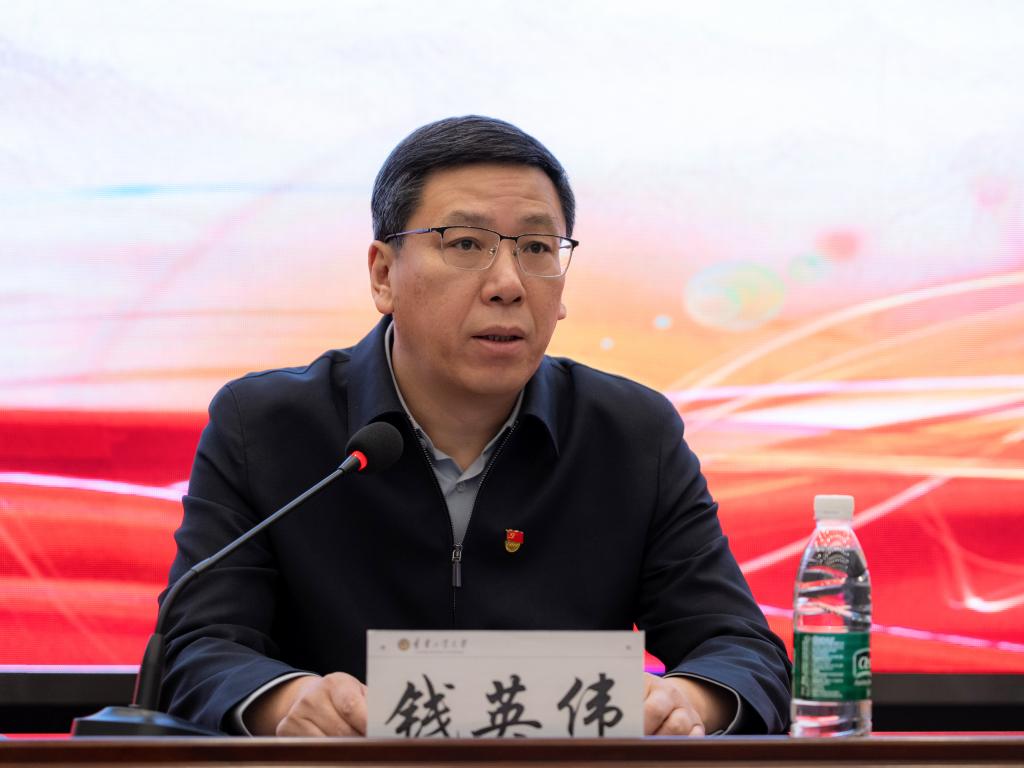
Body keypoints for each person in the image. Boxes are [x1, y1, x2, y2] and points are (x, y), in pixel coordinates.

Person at [161, 116, 791, 737]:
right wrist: (287, 703)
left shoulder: (630, 433)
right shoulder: (263, 425)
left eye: (537, 248)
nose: (508, 284)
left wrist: (686, 701)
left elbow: (740, 649)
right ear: (383, 274)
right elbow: (197, 647)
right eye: (465, 244)